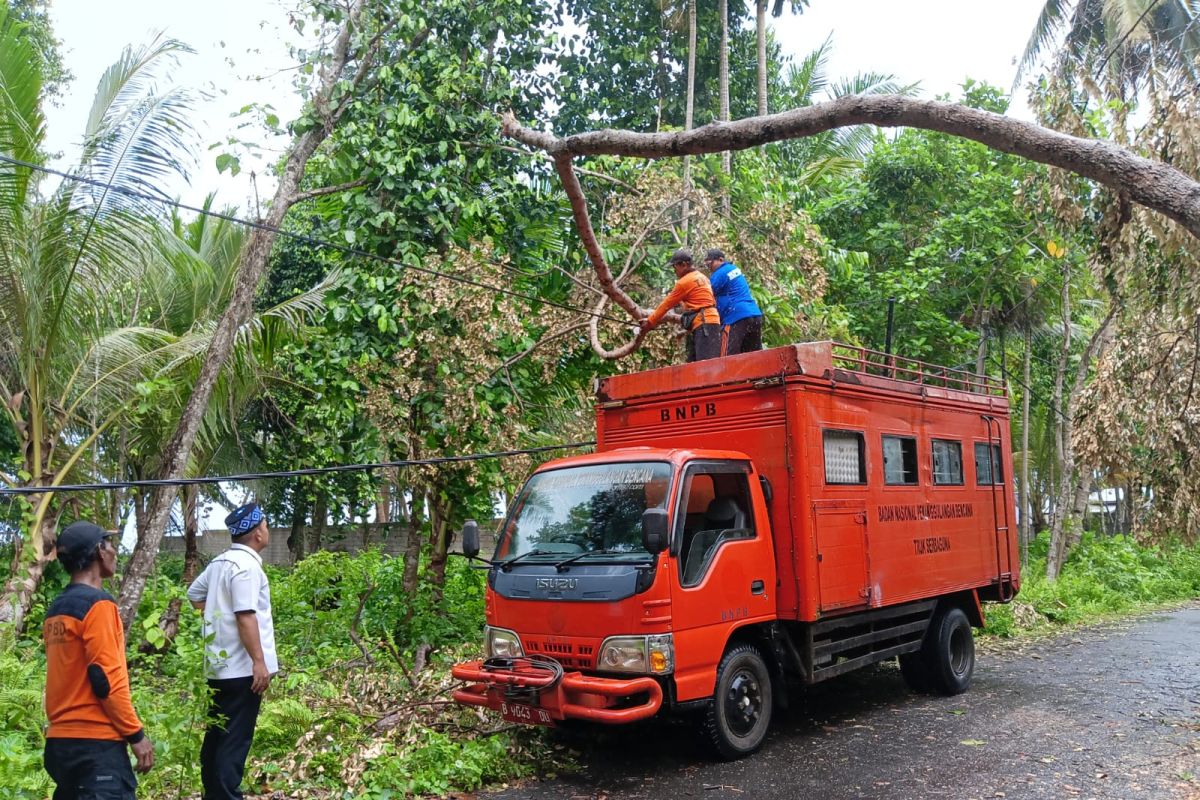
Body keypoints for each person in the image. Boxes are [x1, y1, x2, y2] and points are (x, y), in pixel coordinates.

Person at [43, 521, 154, 799]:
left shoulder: (56, 610)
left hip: (60, 745)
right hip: (95, 746)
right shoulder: (99, 605)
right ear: (98, 552)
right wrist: (136, 736)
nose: (115, 551)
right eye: (109, 544)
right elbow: (105, 680)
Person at [187, 503, 277, 800]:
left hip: (218, 667)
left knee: (217, 735)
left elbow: (194, 595)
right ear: (256, 533)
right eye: (265, 525)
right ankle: (226, 795)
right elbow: (245, 615)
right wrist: (259, 662)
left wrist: (218, 615)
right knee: (234, 740)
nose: (267, 530)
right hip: (242, 671)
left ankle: (213, 793)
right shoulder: (247, 567)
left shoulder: (220, 563)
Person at [639, 248, 722, 362]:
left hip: (704, 324)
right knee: (692, 365)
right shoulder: (701, 277)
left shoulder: (684, 282)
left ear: (683, 265)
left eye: (675, 267)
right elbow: (696, 304)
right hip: (708, 322)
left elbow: (666, 305)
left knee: (706, 366)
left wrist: (650, 322)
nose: (674, 270)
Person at [703, 248, 764, 356]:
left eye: (710, 264)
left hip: (736, 317)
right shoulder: (733, 269)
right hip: (754, 314)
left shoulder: (720, 273)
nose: (710, 269)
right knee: (753, 356)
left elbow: (705, 295)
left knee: (727, 358)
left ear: (720, 260)